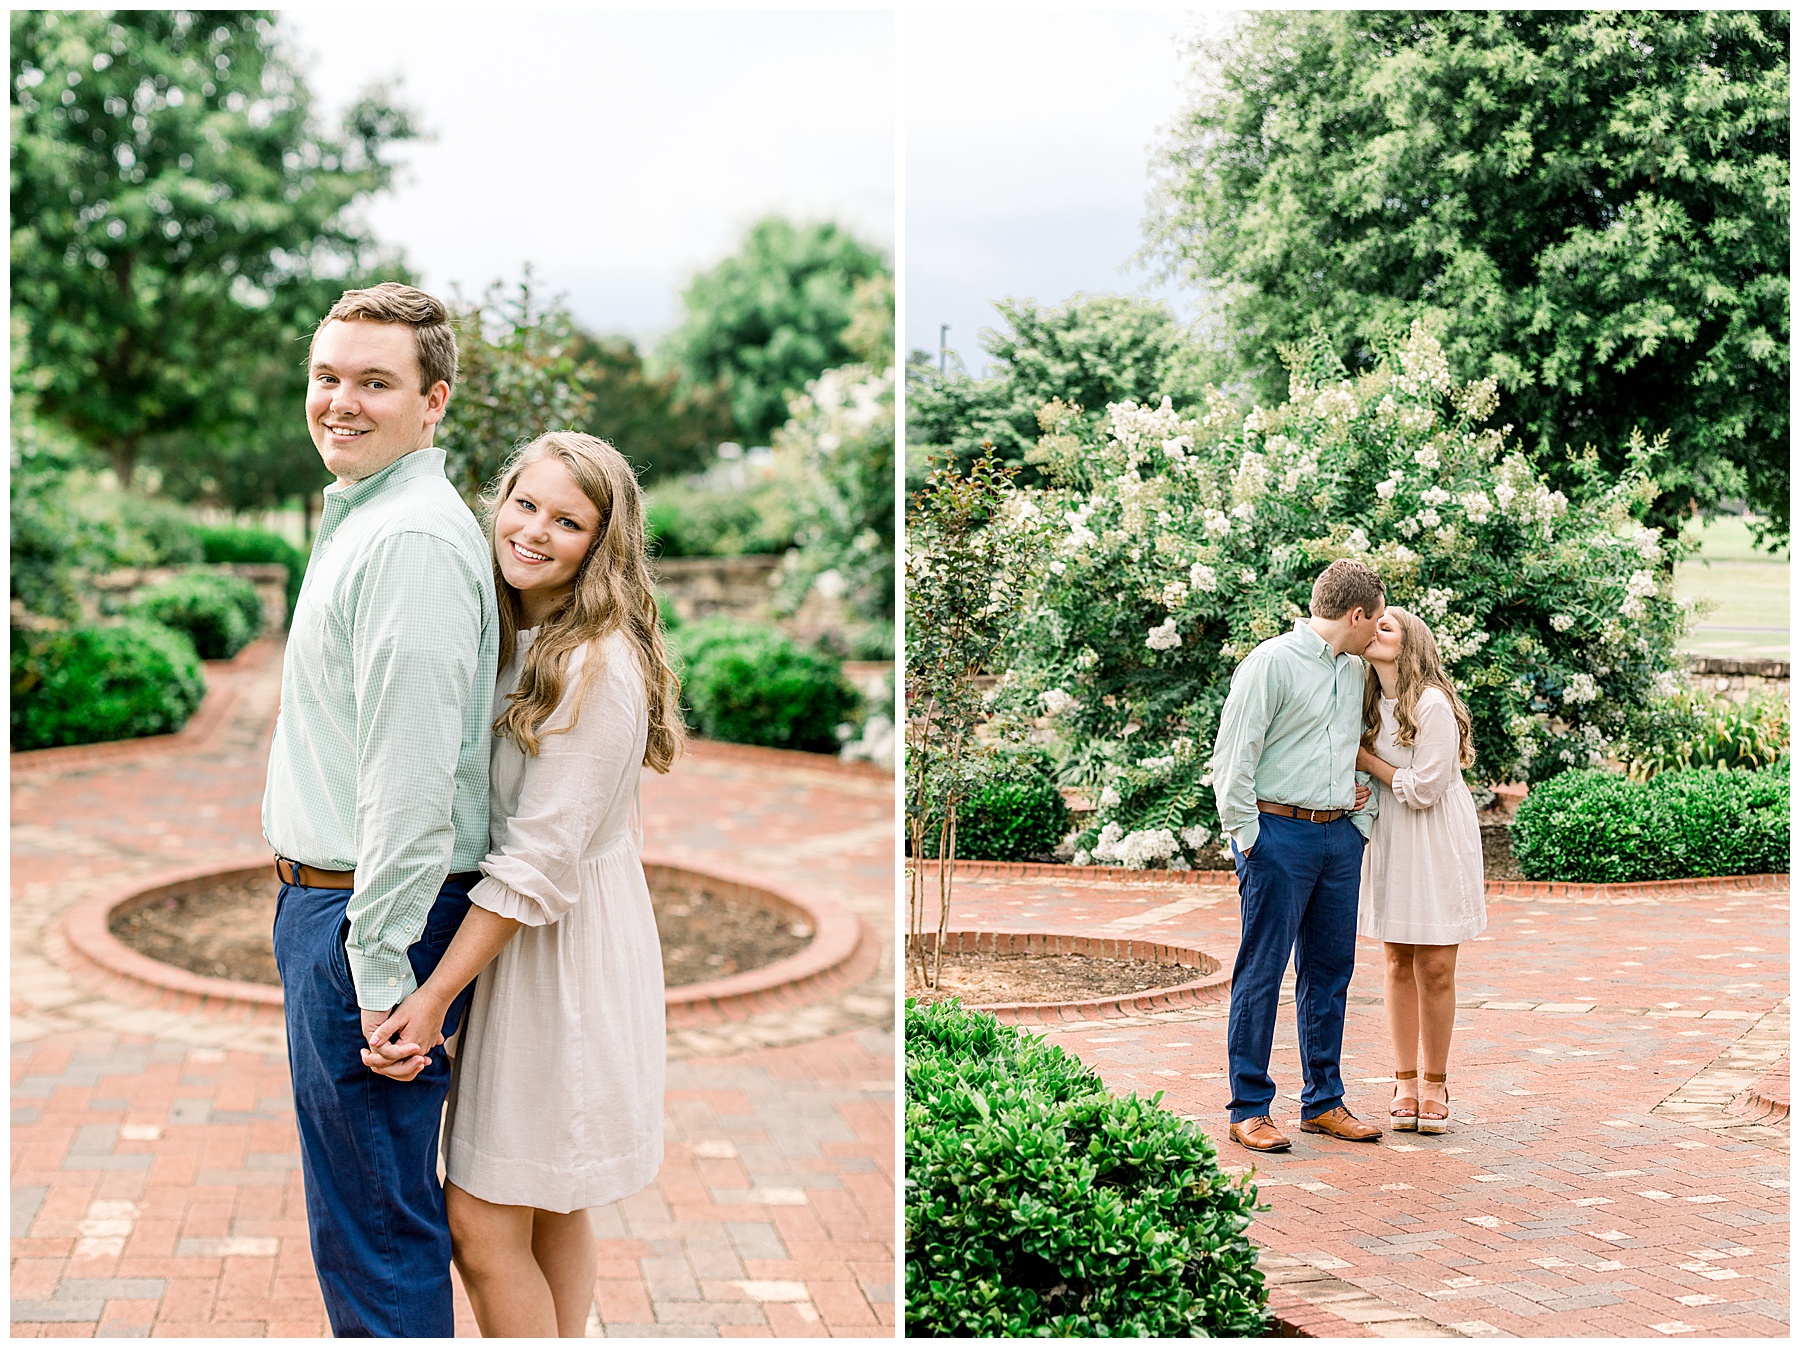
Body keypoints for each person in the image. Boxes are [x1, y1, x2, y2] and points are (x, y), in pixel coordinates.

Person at [362, 431, 685, 1336]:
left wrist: (428, 1001)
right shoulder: (519, 633)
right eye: (525, 504)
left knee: (482, 1218)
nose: (535, 531)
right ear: (497, 503)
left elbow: (537, 864)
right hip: (521, 944)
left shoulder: (595, 663)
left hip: (560, 959)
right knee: (549, 1201)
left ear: (603, 544)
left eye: (568, 520)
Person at [262, 282, 500, 1336]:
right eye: (327, 376)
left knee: (376, 1232)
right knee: (362, 1221)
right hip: (341, 911)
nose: (340, 401)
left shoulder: (406, 541)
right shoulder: (369, 517)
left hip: (369, 922)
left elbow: (411, 787)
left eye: (375, 381)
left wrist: (376, 969)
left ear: (433, 400)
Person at [1211, 558, 1385, 1153]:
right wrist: (1248, 836)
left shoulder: (1358, 671)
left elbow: (1357, 749)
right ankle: (1249, 1108)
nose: (1378, 630)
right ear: (1356, 615)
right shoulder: (1270, 664)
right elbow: (1234, 756)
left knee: (1331, 972)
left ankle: (1324, 1102)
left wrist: (1358, 823)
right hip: (1276, 837)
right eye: (1377, 619)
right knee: (1262, 970)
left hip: (1338, 839)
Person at [1354, 607, 1486, 1134]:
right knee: (1394, 960)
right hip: (1391, 835)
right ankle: (1403, 1078)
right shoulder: (1363, 700)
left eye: (1386, 626)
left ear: (1410, 644)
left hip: (1434, 839)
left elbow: (1426, 789)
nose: (1373, 630)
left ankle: (1436, 1080)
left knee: (1435, 965)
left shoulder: (1431, 703)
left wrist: (1369, 765)